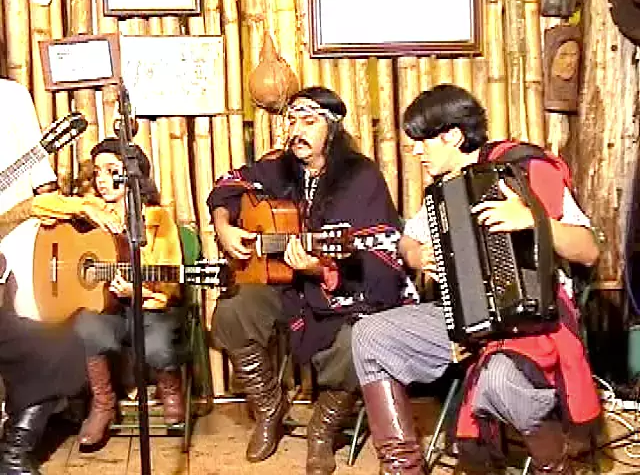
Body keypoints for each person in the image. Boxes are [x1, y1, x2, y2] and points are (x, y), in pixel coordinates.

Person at [351, 84, 602, 475]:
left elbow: (589, 250)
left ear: (452, 136)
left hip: (533, 324)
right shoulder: (444, 191)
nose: (414, 151)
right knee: (370, 335)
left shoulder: (524, 169)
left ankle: (557, 467)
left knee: (499, 380)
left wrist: (533, 220)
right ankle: (402, 467)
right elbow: (407, 241)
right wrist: (418, 255)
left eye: (421, 140)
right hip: (463, 323)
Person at [207, 86, 408, 474]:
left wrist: (319, 268)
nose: (297, 130)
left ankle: (322, 430)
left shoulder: (360, 176)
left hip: (340, 290)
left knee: (357, 341)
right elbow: (227, 184)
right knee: (231, 311)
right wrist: (223, 226)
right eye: (292, 121)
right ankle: (269, 408)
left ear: (331, 128)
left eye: (309, 122)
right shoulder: (278, 167)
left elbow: (379, 252)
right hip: (284, 287)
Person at [33, 138, 186, 448]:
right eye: (97, 172)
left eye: (111, 170)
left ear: (132, 174)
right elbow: (39, 206)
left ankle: (171, 390)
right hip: (107, 311)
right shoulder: (91, 213)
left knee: (157, 341)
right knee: (87, 326)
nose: (102, 179)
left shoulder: (157, 219)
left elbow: (171, 282)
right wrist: (85, 207)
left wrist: (137, 291)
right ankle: (103, 403)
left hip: (148, 309)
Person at [0, 77, 116, 474]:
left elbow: (41, 183)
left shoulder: (11, 97)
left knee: (61, 343)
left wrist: (62, 210)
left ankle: (13, 453)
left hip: (14, 247)